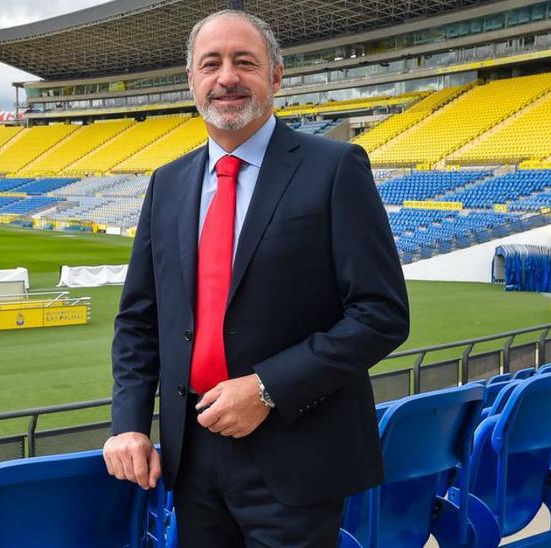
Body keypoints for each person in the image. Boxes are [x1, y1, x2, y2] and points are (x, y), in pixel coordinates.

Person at [102, 9, 410, 547]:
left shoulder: (334, 168)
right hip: (191, 458)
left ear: (276, 76)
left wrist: (267, 388)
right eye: (211, 64)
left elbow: (381, 315)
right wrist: (129, 422)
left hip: (296, 454)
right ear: (192, 81)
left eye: (245, 62)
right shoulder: (167, 183)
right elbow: (139, 319)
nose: (227, 78)